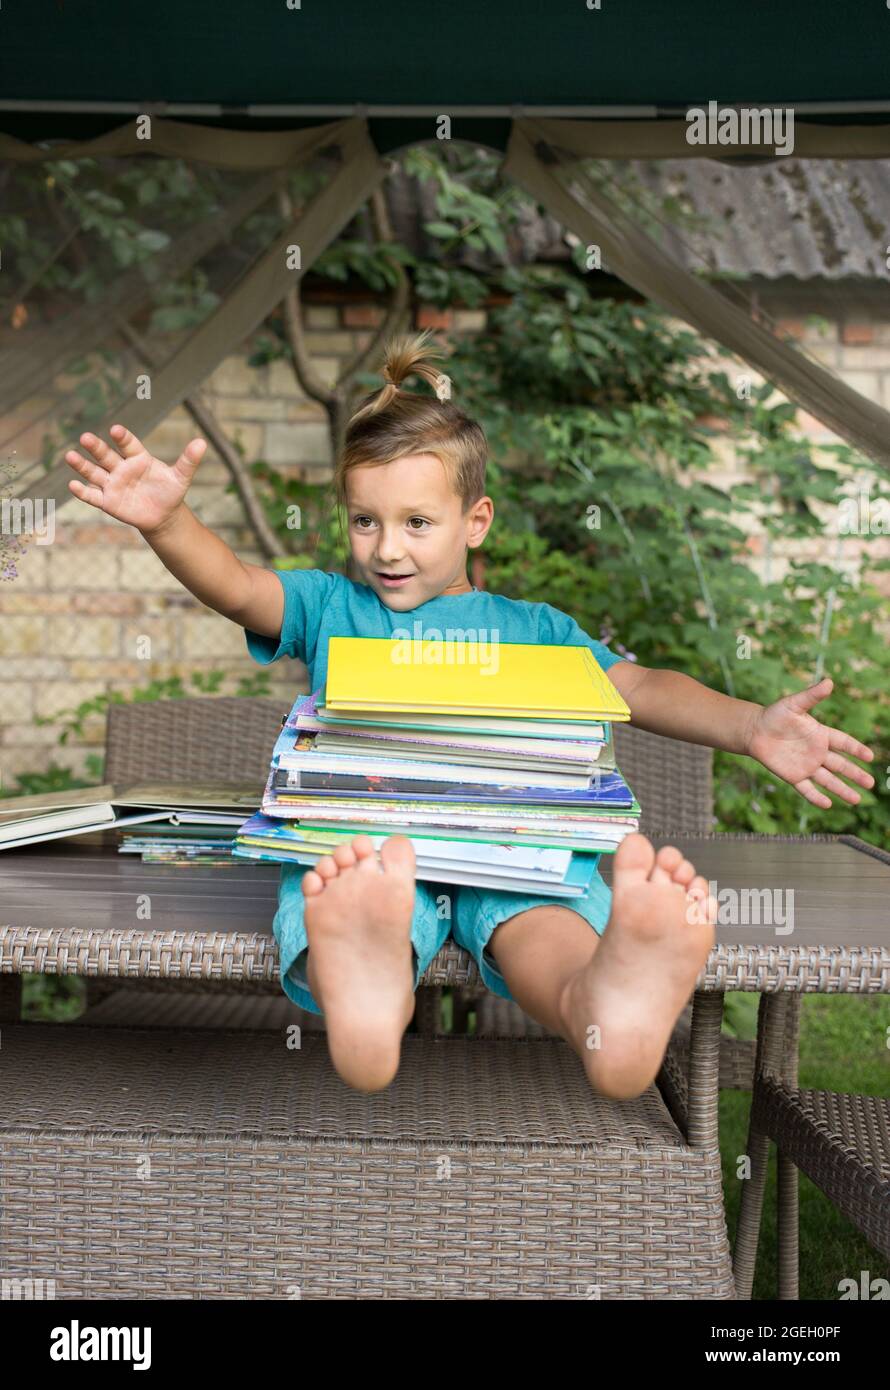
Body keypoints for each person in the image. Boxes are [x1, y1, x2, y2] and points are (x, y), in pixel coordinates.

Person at [65, 330, 875, 1097]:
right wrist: (169, 523)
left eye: (417, 523)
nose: (387, 549)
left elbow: (642, 688)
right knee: (354, 895)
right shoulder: (327, 605)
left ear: (474, 521)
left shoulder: (536, 631)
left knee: (545, 926)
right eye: (365, 521)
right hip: (377, 853)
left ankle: (603, 1008)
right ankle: (372, 992)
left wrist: (748, 728)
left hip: (513, 852)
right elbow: (237, 585)